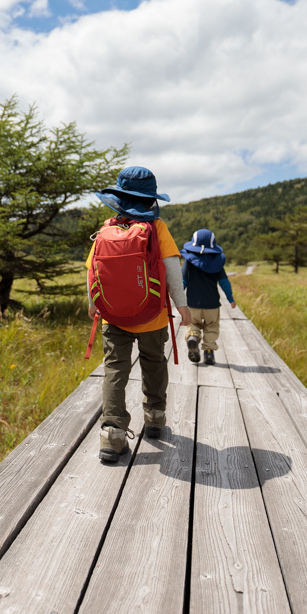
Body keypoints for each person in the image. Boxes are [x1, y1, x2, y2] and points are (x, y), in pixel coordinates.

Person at [87, 166, 191, 463]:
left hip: (113, 317)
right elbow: (172, 268)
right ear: (150, 200)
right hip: (152, 317)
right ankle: (155, 417)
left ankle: (112, 434)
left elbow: (92, 269)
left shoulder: (108, 227)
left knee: (115, 370)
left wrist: (94, 305)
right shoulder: (157, 228)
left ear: (118, 198)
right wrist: (181, 305)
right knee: (154, 362)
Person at [181, 228, 236, 366]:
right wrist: (231, 299)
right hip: (212, 304)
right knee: (211, 327)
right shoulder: (217, 262)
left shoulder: (189, 261)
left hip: (193, 303)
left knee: (193, 324)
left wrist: (176, 298)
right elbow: (224, 283)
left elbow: (183, 281)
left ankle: (193, 337)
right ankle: (209, 352)